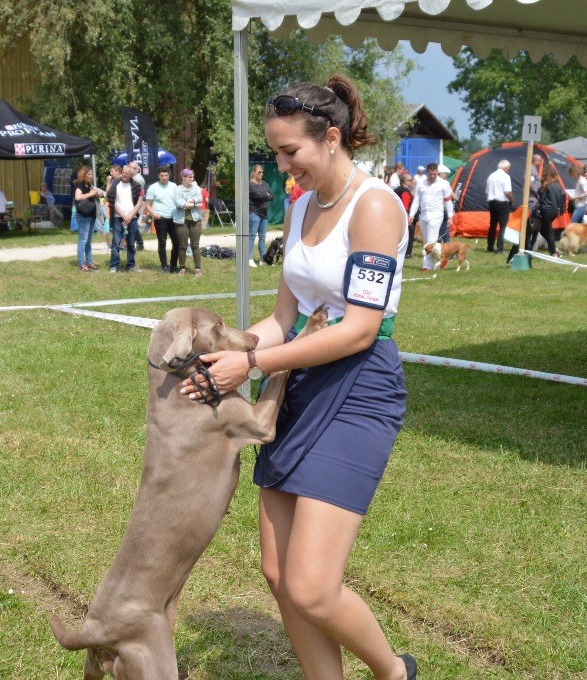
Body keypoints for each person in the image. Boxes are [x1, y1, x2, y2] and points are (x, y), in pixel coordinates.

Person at [179, 75, 417, 680]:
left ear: (331, 137)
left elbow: (361, 328)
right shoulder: (300, 203)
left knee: (313, 587)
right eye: (276, 153)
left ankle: (393, 672)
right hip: (298, 384)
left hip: (361, 387)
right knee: (280, 575)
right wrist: (223, 351)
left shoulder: (375, 207)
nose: (283, 165)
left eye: (291, 152)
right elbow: (284, 318)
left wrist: (252, 364)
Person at [508, 163, 564, 260]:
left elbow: (542, 199)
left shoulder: (547, 185)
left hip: (545, 211)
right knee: (544, 231)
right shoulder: (558, 186)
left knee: (547, 232)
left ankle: (554, 252)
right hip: (554, 211)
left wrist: (539, 194)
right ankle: (554, 249)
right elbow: (561, 198)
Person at [409, 162, 454, 271]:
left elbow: (448, 201)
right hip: (423, 215)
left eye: (435, 174)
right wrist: (411, 214)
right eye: (431, 174)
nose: (433, 176)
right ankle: (441, 258)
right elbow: (416, 200)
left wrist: (450, 217)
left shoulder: (444, 184)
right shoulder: (421, 184)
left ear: (437, 172)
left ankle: (426, 266)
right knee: (426, 241)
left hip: (437, 215)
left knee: (431, 241)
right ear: (427, 173)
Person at [106, 163, 143, 273]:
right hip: (118, 217)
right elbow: (113, 201)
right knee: (116, 242)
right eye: (123, 173)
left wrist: (130, 215)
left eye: (127, 174)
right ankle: (114, 265)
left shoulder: (137, 186)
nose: (124, 175)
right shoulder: (115, 183)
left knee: (131, 243)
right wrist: (123, 215)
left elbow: (139, 203)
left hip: (132, 218)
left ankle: (131, 265)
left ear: (131, 175)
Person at [145, 165, 179, 273]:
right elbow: (148, 205)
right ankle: (164, 266)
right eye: (162, 175)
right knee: (162, 242)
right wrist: (154, 214)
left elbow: (179, 201)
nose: (164, 177)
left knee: (177, 242)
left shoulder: (174, 186)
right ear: (158, 176)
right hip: (160, 218)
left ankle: (173, 266)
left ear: (169, 175)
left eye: (166, 175)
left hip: (173, 218)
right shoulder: (153, 187)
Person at [173, 168, 203, 276]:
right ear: (183, 178)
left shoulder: (195, 187)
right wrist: (194, 204)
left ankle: (198, 269)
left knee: (195, 245)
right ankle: (182, 268)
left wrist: (189, 201)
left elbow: (200, 198)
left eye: (192, 177)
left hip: (195, 220)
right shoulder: (177, 189)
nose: (192, 179)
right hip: (181, 221)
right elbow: (179, 203)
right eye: (190, 177)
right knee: (182, 245)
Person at [74, 166, 104, 271]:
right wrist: (90, 194)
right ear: (84, 175)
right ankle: (81, 264)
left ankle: (89, 262)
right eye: (89, 174)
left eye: (92, 174)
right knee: (83, 240)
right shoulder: (80, 184)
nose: (91, 176)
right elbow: (77, 197)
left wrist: (97, 194)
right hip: (83, 216)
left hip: (91, 215)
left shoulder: (89, 185)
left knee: (89, 241)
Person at [249, 164, 274, 268]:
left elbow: (272, 196)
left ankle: (262, 259)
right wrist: (265, 195)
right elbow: (257, 195)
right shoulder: (250, 184)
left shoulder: (265, 183)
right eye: (259, 172)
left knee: (262, 238)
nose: (261, 174)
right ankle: (249, 258)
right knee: (251, 236)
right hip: (254, 213)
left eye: (262, 172)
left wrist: (266, 195)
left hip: (264, 214)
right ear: (254, 172)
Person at [485, 159, 513, 253]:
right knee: (503, 226)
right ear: (506, 168)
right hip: (502, 203)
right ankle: (500, 248)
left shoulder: (491, 176)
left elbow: (488, 191)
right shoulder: (506, 176)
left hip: (492, 202)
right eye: (509, 169)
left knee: (492, 225)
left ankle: (490, 247)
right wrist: (512, 200)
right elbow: (507, 192)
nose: (509, 170)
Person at [394, 174, 415, 257]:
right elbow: (405, 206)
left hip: (396, 215)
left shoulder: (397, 189)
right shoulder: (405, 191)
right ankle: (407, 253)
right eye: (411, 180)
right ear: (405, 181)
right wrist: (407, 219)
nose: (412, 181)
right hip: (404, 216)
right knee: (409, 235)